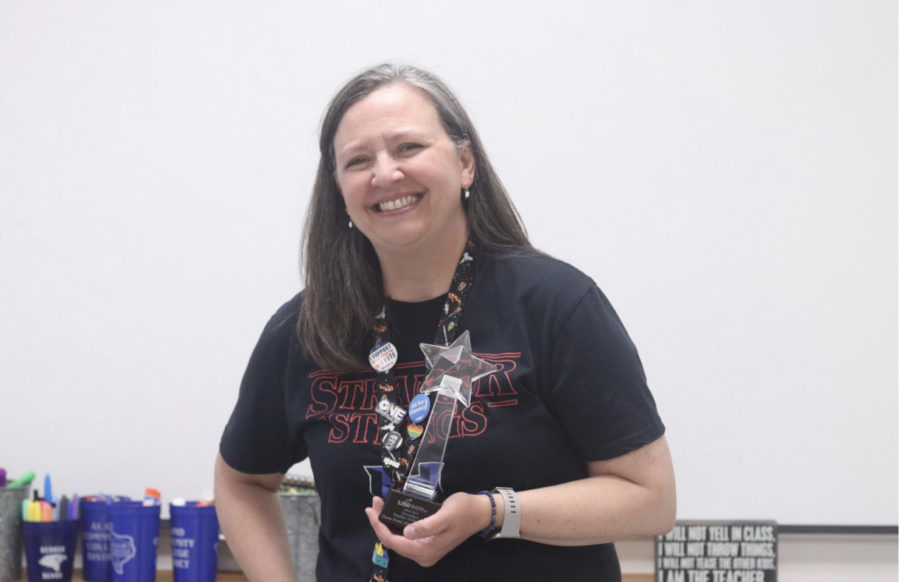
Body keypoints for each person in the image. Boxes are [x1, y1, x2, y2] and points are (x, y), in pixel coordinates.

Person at [215, 63, 676, 582]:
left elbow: (649, 500)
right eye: (358, 160)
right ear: (339, 190)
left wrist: (494, 513)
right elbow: (241, 482)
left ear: (464, 164)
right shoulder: (305, 327)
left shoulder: (555, 304)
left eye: (408, 148)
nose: (384, 174)